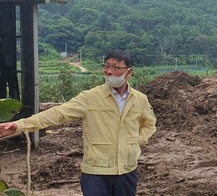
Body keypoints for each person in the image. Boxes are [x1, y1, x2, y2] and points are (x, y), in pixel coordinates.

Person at [0, 49, 156, 196]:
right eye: (107, 66)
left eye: (116, 68)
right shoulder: (90, 97)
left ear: (129, 72)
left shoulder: (139, 99)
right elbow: (58, 113)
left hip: (127, 170)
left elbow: (149, 124)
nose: (109, 72)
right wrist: (19, 125)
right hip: (96, 171)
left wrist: (137, 141)